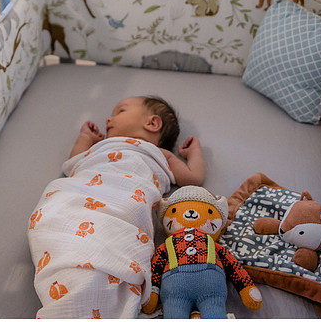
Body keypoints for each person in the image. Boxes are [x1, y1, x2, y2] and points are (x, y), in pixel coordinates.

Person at [28, 95, 204, 319]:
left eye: (120, 111)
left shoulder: (160, 154)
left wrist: (194, 153)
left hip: (124, 200)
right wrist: (85, 138)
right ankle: (75, 282)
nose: (108, 119)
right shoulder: (100, 147)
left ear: (152, 123)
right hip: (77, 195)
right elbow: (75, 163)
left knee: (120, 221)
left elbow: (193, 177)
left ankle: (87, 293)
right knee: (54, 214)